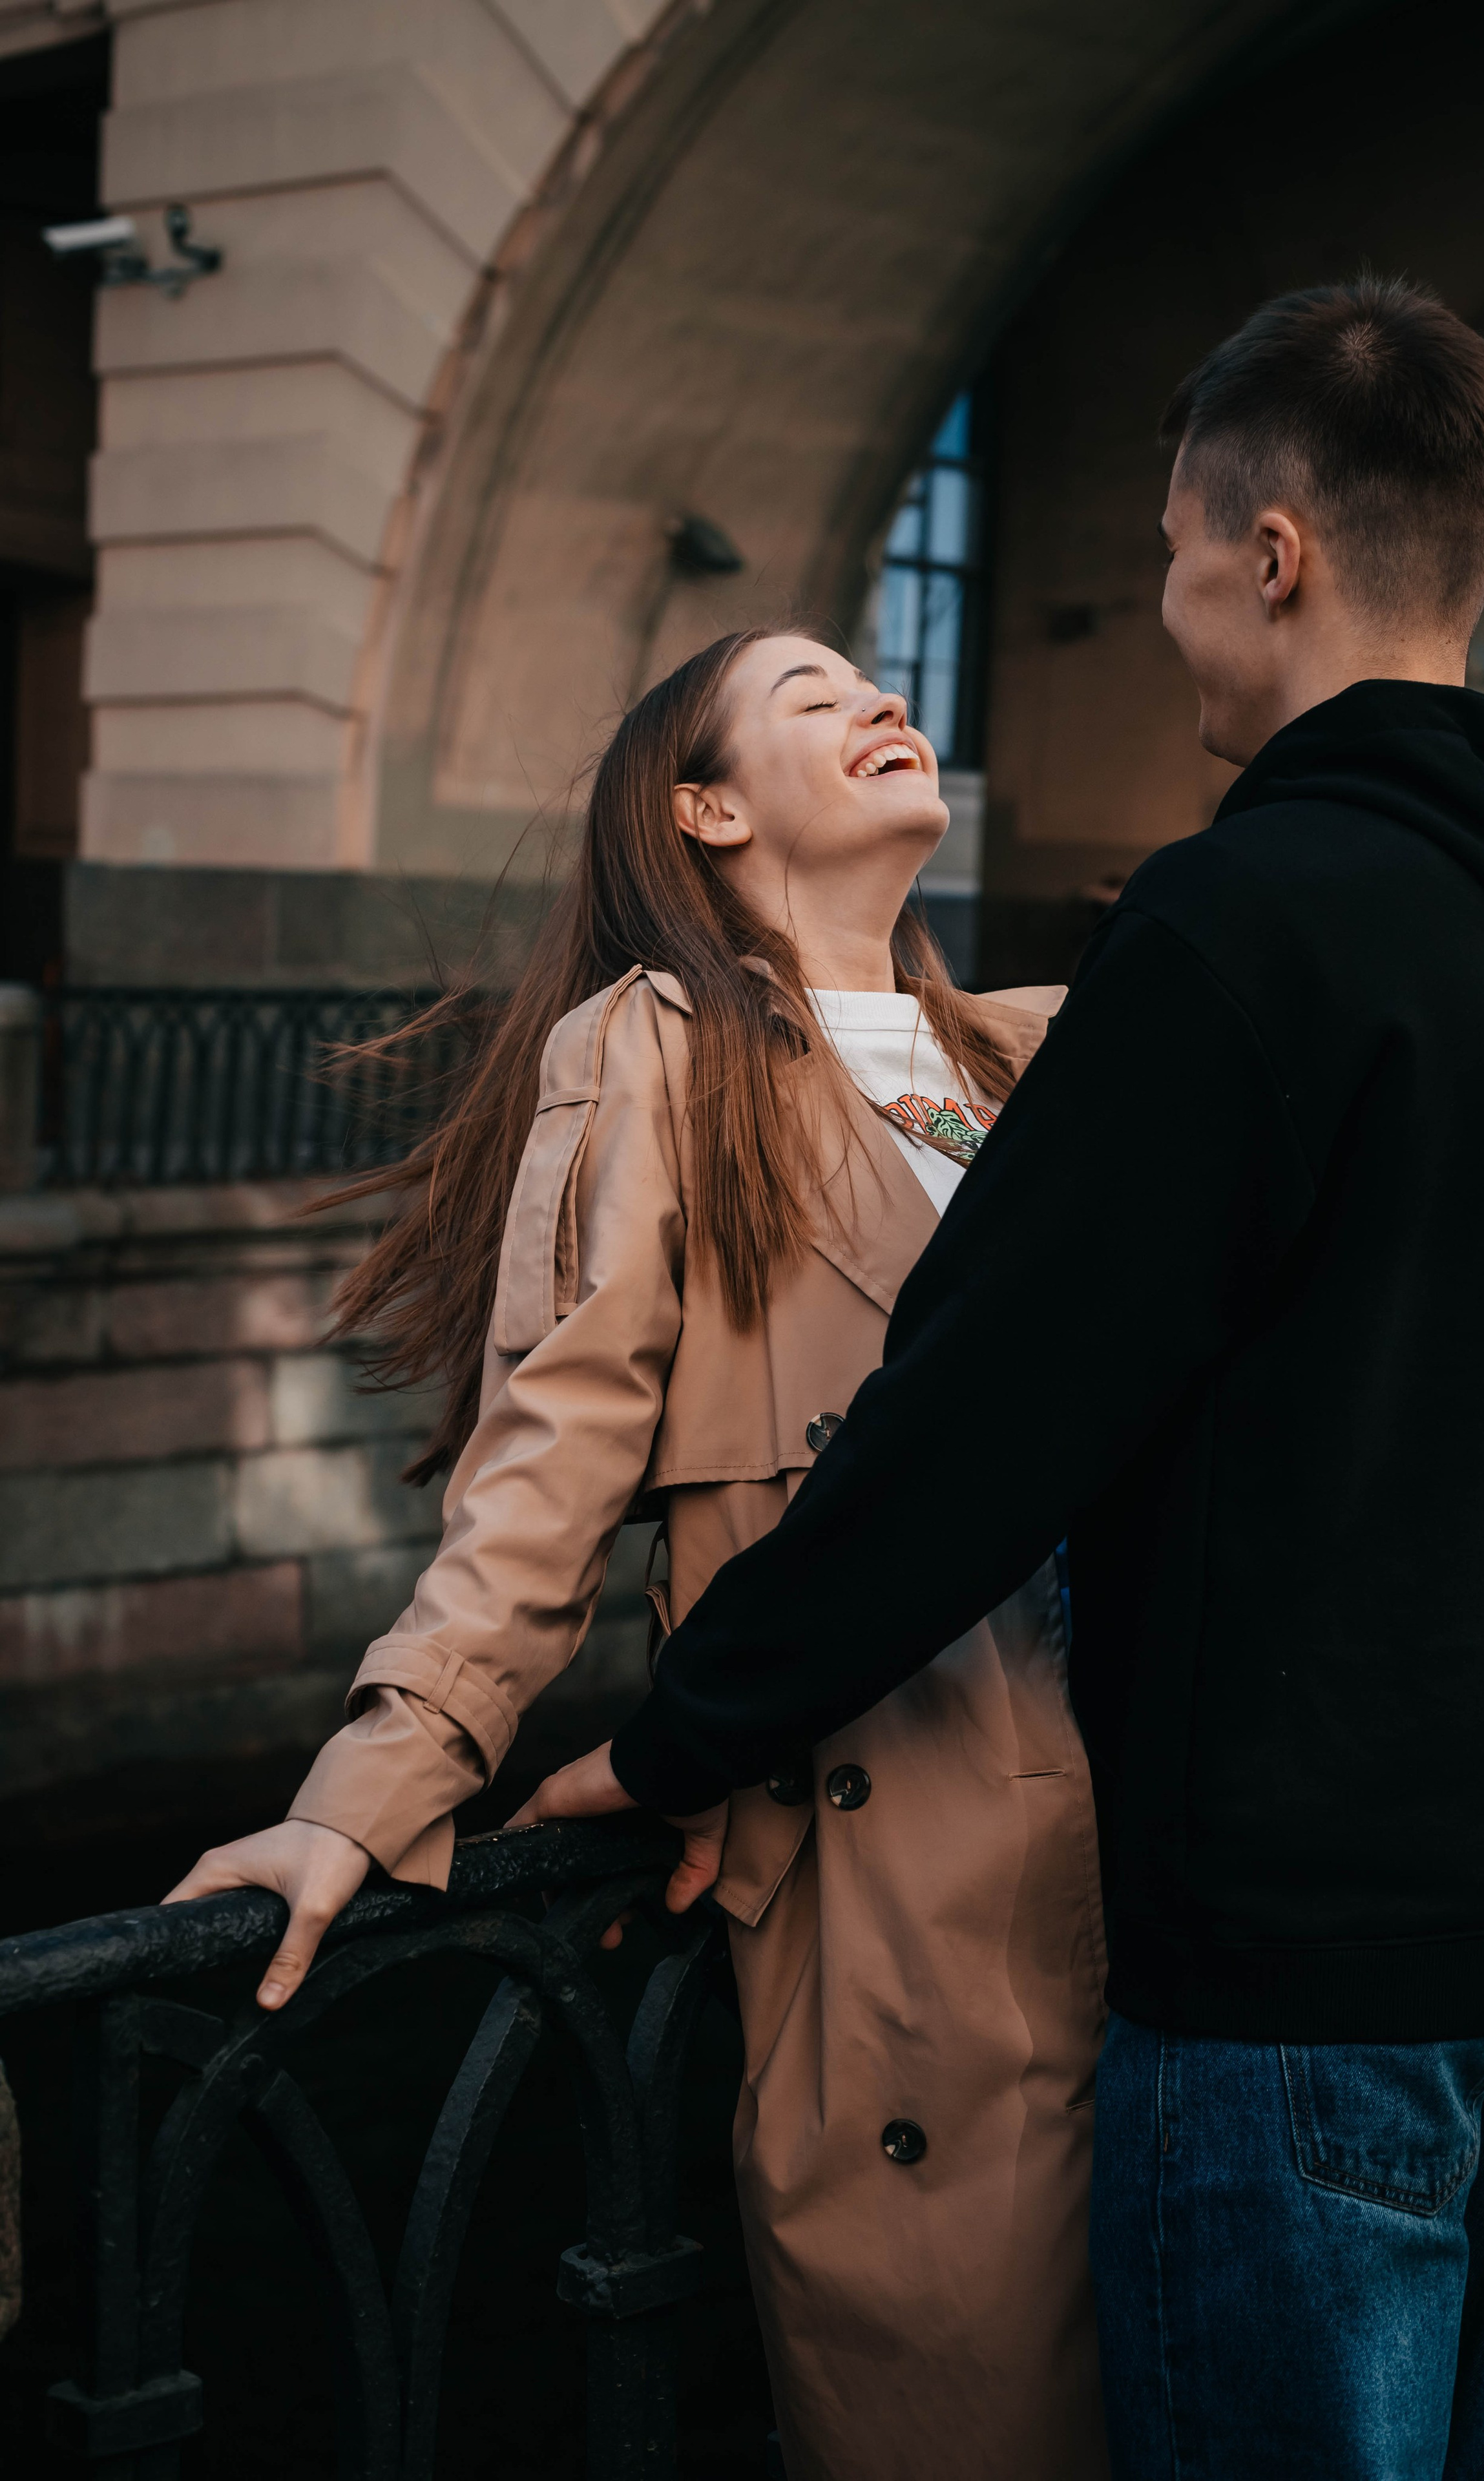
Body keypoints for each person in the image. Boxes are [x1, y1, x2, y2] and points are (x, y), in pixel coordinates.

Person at [530, 279, 1484, 2478]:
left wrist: (687, 1730)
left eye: (1163, 554)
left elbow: (981, 1413)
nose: (1159, 609)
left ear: (1272, 557)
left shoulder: (1237, 926)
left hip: (1299, 1954)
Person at [163, 630, 1109, 2481]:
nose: (880, 696)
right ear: (711, 808)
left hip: (1165, 1845)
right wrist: (376, 1786)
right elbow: (554, 1448)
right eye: (813, 690)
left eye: (881, 676)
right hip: (913, 1879)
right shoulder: (666, 1053)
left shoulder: (1036, 1050)